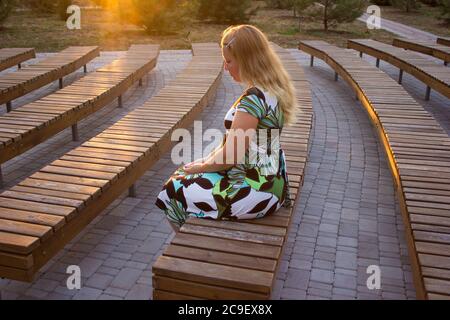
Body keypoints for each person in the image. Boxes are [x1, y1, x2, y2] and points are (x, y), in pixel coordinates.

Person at [155, 24, 298, 232]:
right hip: (270, 183)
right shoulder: (272, 90)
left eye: (229, 61)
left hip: (254, 191)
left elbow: (231, 156)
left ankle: (192, 249)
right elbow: (234, 146)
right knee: (184, 174)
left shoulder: (253, 101)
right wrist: (205, 161)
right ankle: (196, 240)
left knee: (172, 189)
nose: (225, 67)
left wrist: (202, 167)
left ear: (247, 60)